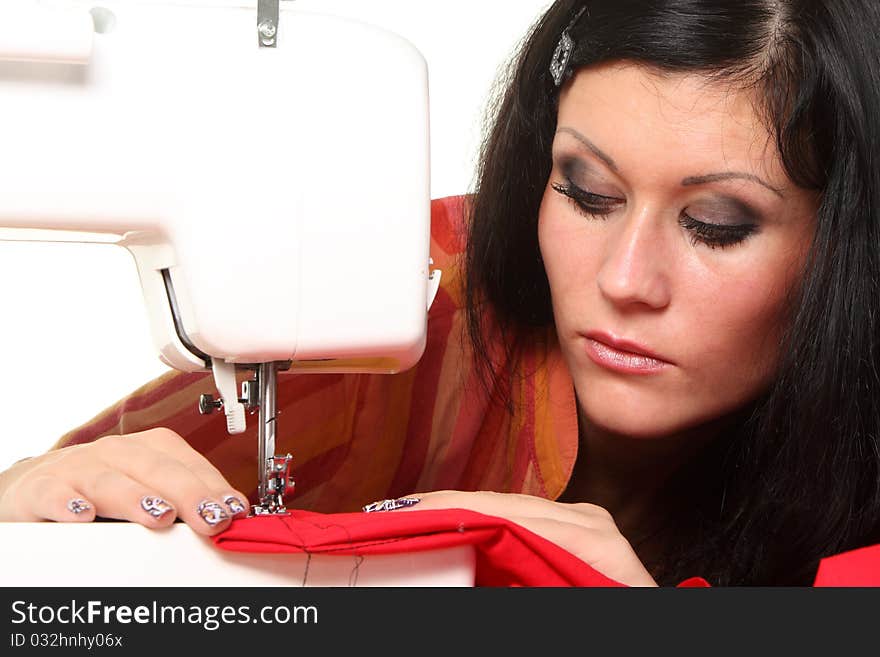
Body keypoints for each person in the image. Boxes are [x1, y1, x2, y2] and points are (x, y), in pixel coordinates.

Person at [2, 0, 879, 587]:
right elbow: (66, 509)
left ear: (849, 238)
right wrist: (25, 508)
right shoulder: (395, 295)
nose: (621, 280)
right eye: (586, 191)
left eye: (717, 224)